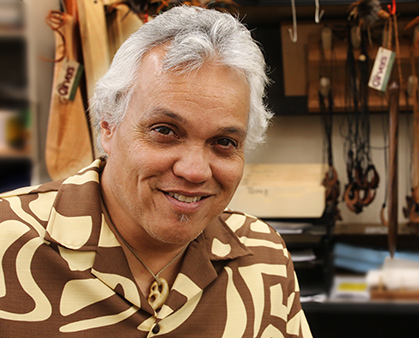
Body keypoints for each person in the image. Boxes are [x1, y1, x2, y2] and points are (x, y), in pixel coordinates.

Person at [0, 5, 312, 337]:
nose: (194, 171)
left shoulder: (264, 259)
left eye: (223, 141)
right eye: (165, 131)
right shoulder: (8, 240)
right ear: (108, 126)